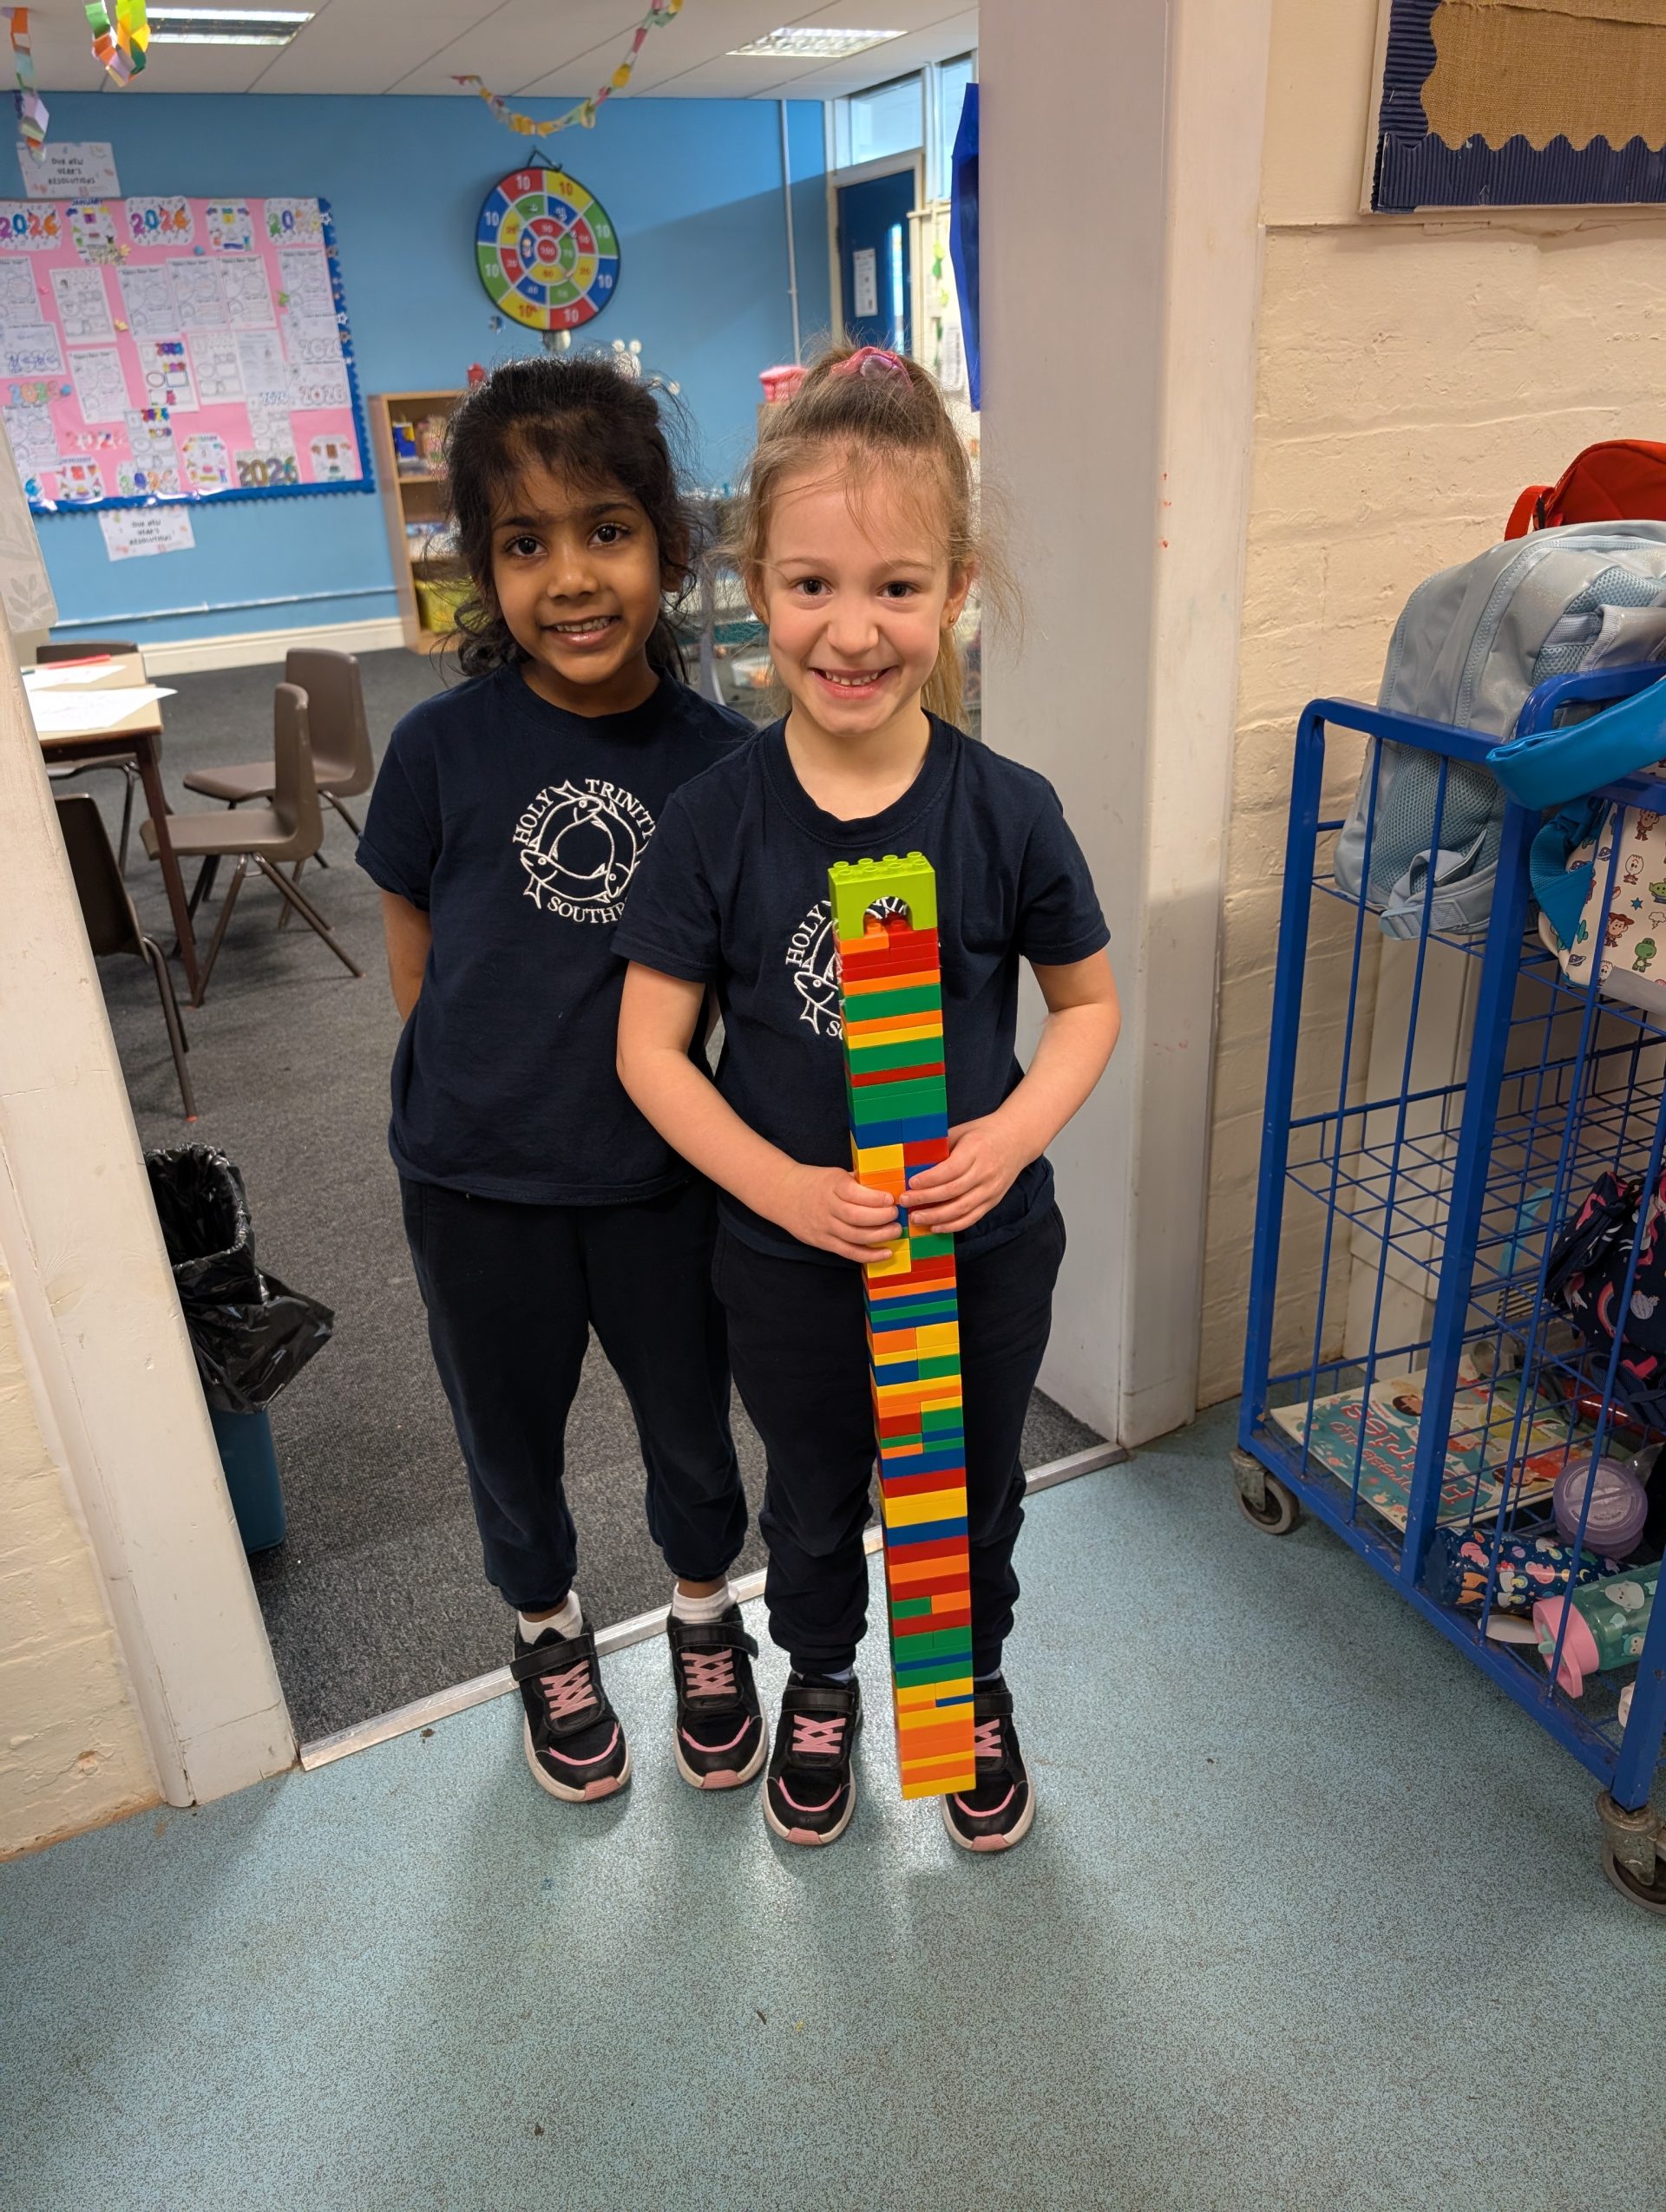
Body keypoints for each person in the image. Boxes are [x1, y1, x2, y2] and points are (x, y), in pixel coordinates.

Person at [615, 344, 1120, 1852]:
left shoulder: (1006, 808)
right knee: (818, 1493)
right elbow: (651, 1052)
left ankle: (969, 1688)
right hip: (790, 1258)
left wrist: (1008, 1134)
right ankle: (822, 1678)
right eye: (811, 586)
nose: (853, 630)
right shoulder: (713, 824)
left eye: (896, 586)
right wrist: (778, 1186)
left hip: (979, 1240)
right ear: (754, 591)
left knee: (969, 1492)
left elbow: (1088, 1008)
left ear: (956, 587)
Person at [357, 356, 766, 1809]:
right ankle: (547, 1636)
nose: (571, 578)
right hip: (475, 1181)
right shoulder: (438, 751)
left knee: (688, 1424)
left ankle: (710, 1620)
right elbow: (420, 963)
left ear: (667, 542)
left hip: (660, 1181)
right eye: (523, 545)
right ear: (482, 571)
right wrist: (487, 1095)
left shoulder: (728, 769)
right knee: (506, 1431)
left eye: (605, 530)